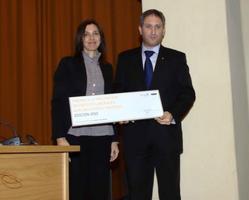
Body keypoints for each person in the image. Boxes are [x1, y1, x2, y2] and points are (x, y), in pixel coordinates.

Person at [114, 9, 196, 200]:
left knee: (170, 193)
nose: (153, 31)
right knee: (137, 195)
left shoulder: (177, 58)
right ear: (140, 29)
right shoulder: (125, 59)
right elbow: (117, 92)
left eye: (157, 27)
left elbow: (187, 93)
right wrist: (121, 113)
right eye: (148, 26)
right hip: (135, 140)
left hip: (166, 139)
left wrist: (173, 114)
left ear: (163, 30)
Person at [51, 19, 119, 200]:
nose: (91, 38)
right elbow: (58, 102)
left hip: (102, 137)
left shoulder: (107, 68)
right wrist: (59, 136)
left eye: (95, 33)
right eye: (86, 34)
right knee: (76, 190)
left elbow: (110, 103)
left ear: (101, 39)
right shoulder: (67, 64)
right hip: (75, 137)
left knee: (100, 190)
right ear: (80, 38)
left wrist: (114, 140)